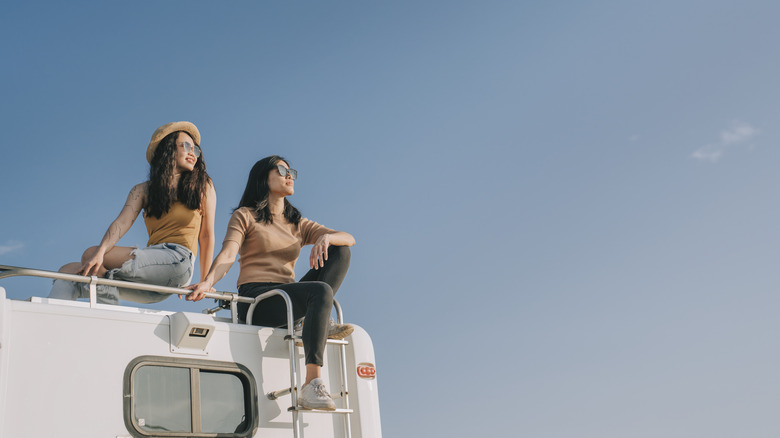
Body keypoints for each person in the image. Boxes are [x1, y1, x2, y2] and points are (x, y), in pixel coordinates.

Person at [186, 155, 355, 411]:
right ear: (263, 177)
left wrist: (328, 239)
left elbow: (349, 238)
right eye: (281, 170)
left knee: (341, 251)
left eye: (292, 172)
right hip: (258, 300)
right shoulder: (246, 216)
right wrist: (208, 281)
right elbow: (229, 254)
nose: (290, 175)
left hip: (287, 297)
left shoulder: (296, 223)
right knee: (320, 290)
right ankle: (312, 383)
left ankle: (306, 323)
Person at [49, 121, 217, 305]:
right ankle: (50, 322)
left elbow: (207, 235)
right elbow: (121, 223)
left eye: (196, 149)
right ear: (168, 149)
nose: (193, 153)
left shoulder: (202, 185)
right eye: (186, 146)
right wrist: (100, 253)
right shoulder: (143, 190)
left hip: (178, 261)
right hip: (151, 277)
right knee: (67, 270)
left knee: (91, 253)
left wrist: (206, 281)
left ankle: (107, 313)